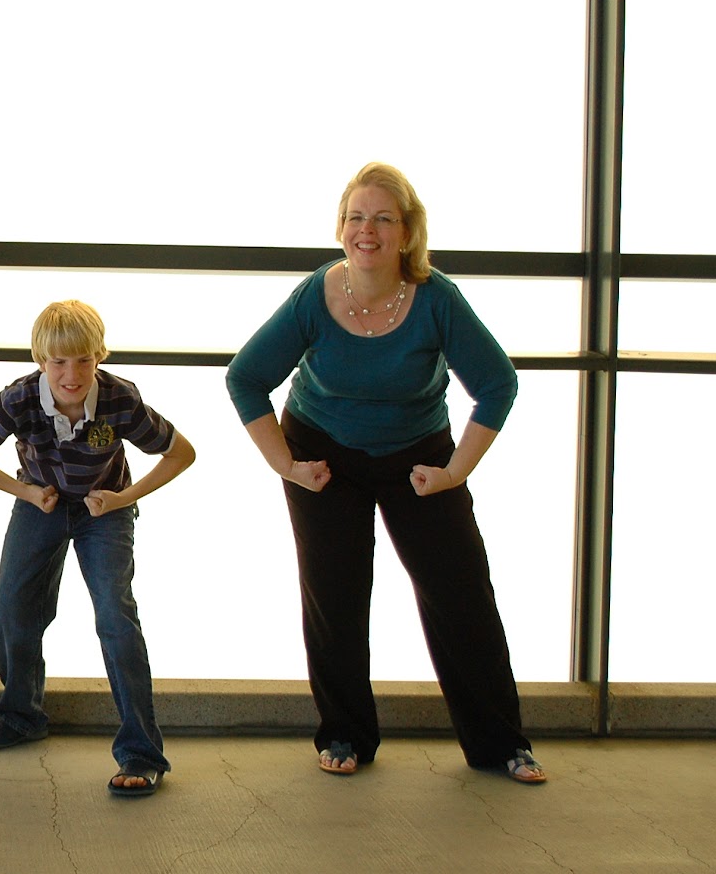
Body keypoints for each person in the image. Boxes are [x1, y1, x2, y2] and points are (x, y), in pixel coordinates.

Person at [224, 162, 545, 784]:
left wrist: (454, 472)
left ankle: (501, 744)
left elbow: (498, 384)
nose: (366, 230)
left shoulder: (435, 298)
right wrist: (286, 465)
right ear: (340, 227)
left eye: (382, 218)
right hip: (323, 454)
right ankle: (345, 734)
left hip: (418, 455)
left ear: (406, 232)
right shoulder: (316, 294)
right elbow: (246, 377)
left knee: (461, 595)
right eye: (355, 217)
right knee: (335, 596)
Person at [0, 299, 196, 797]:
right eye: (59, 362)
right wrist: (25, 492)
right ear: (41, 360)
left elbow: (181, 453)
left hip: (105, 511)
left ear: (100, 355)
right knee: (10, 609)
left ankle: (141, 752)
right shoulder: (19, 399)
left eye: (84, 360)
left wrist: (124, 497)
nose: (72, 374)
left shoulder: (120, 399)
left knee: (115, 617)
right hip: (41, 504)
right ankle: (21, 713)